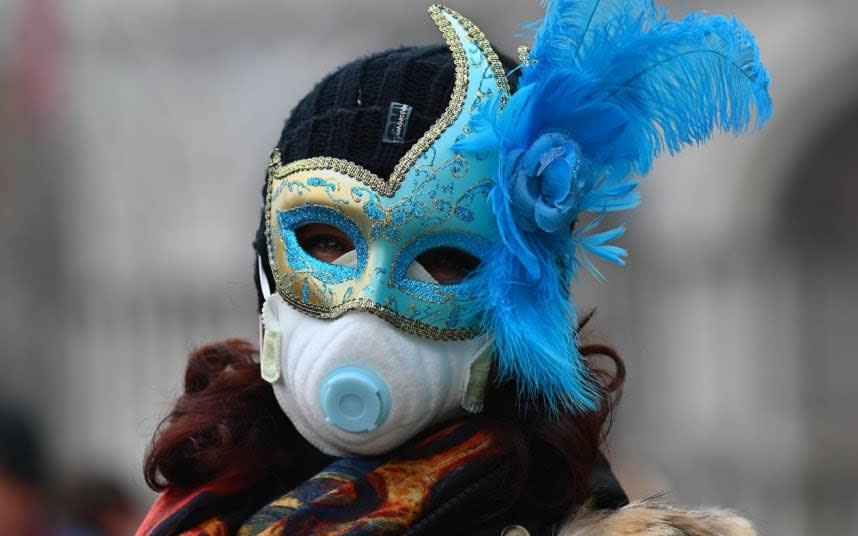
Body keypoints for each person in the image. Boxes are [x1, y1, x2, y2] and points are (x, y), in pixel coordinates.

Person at [137, 2, 771, 535]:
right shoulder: (204, 505)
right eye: (327, 241)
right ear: (266, 264)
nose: (368, 298)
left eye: (444, 258)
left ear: (522, 300)